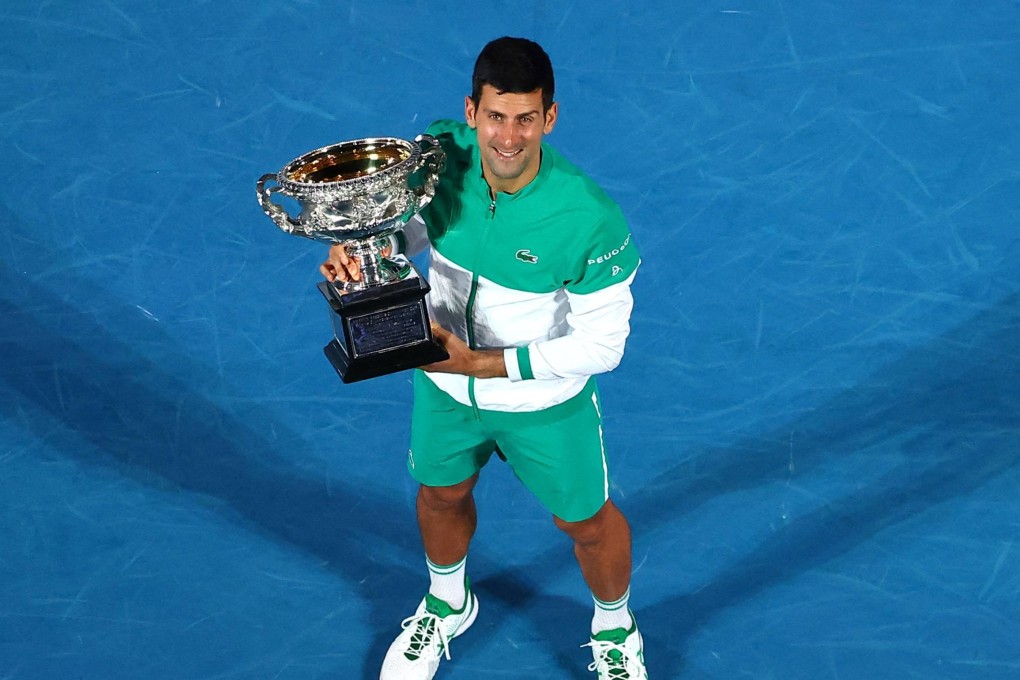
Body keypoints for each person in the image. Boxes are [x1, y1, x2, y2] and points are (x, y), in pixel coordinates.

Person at [321, 37, 646, 680]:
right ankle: (448, 603)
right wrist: (366, 253)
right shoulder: (440, 155)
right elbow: (413, 228)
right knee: (440, 494)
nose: (509, 137)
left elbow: (603, 346)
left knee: (585, 523)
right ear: (471, 111)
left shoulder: (589, 219)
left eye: (527, 118)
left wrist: (483, 365)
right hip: (444, 386)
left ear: (550, 118)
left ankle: (615, 628)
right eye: (496, 116)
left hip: (543, 403)